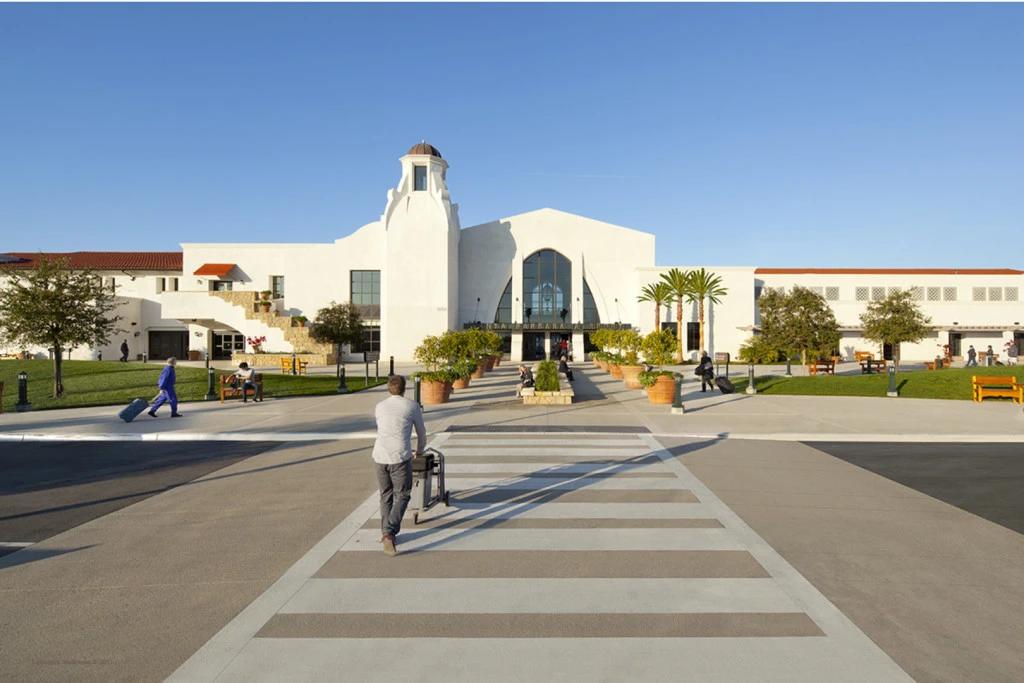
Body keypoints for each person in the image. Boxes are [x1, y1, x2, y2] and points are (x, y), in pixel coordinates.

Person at [372, 374, 426, 557]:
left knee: (385, 495)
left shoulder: (379, 406)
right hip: (399, 457)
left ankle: (385, 532)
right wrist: (419, 451)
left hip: (379, 455)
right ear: (404, 389)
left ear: (388, 388)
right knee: (403, 494)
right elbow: (421, 433)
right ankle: (389, 532)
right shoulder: (412, 406)